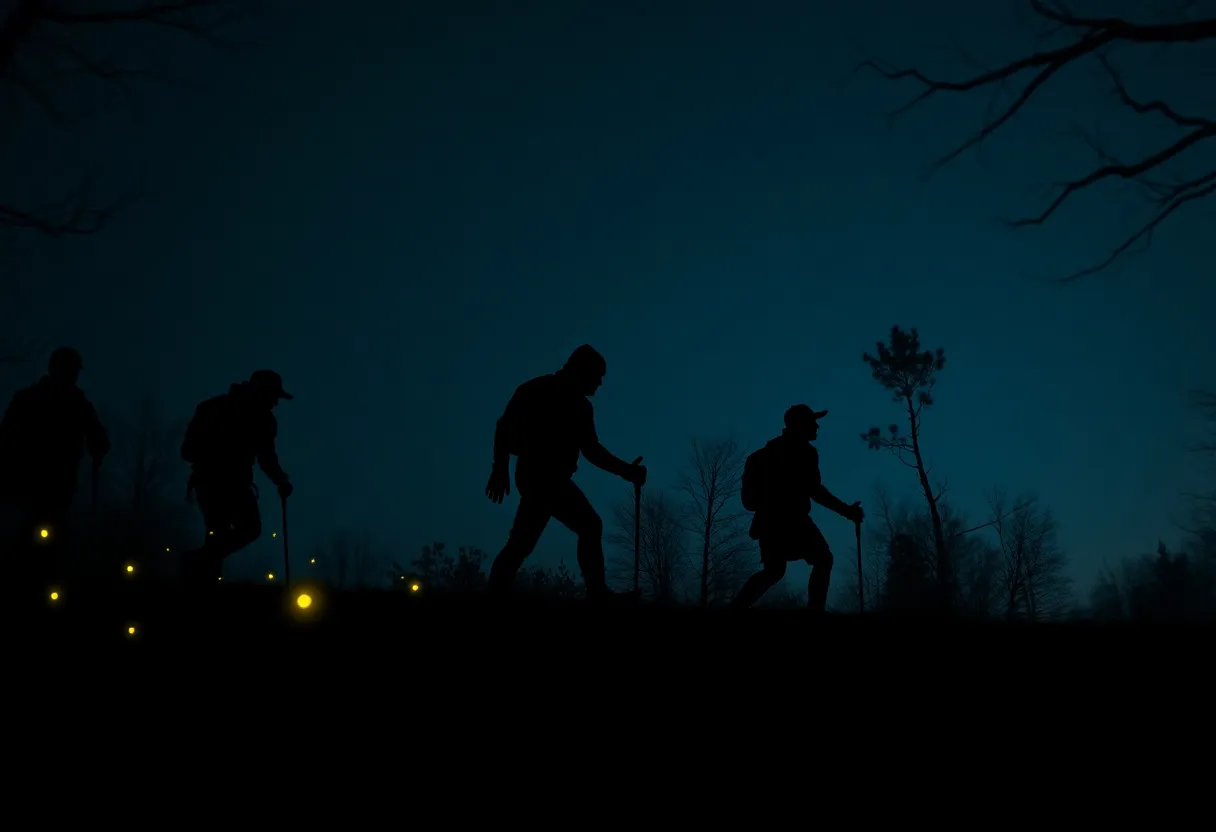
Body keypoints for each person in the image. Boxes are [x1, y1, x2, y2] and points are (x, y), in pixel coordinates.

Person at [485, 344, 646, 602]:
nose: (600, 384)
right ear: (583, 371)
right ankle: (597, 594)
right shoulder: (535, 391)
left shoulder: (580, 407)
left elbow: (591, 450)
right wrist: (499, 468)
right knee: (586, 526)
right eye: (598, 377)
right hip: (539, 476)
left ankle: (496, 592)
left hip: (552, 479)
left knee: (524, 542)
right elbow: (504, 428)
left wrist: (626, 471)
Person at [732, 404, 863, 611]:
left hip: (768, 522)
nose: (817, 426)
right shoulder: (805, 453)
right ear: (799, 425)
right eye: (812, 422)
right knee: (822, 559)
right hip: (793, 521)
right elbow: (815, 490)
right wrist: (847, 511)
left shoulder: (766, 453)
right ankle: (815, 611)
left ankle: (736, 607)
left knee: (774, 571)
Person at [0, 347, 109, 592]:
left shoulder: (75, 404)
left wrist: (98, 445)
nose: (71, 375)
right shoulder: (35, 399)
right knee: (31, 539)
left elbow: (98, 438)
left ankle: (35, 588)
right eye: (68, 369)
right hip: (29, 484)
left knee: (42, 541)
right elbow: (6, 436)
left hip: (51, 487)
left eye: (73, 370)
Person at [180, 370, 294, 586]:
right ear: (262, 393)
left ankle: (198, 571)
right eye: (273, 396)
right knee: (227, 532)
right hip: (215, 482)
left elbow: (266, 458)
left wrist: (281, 480)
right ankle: (202, 577)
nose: (275, 403)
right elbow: (188, 450)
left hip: (226, 484)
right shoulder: (219, 410)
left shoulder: (257, 418)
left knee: (233, 532)